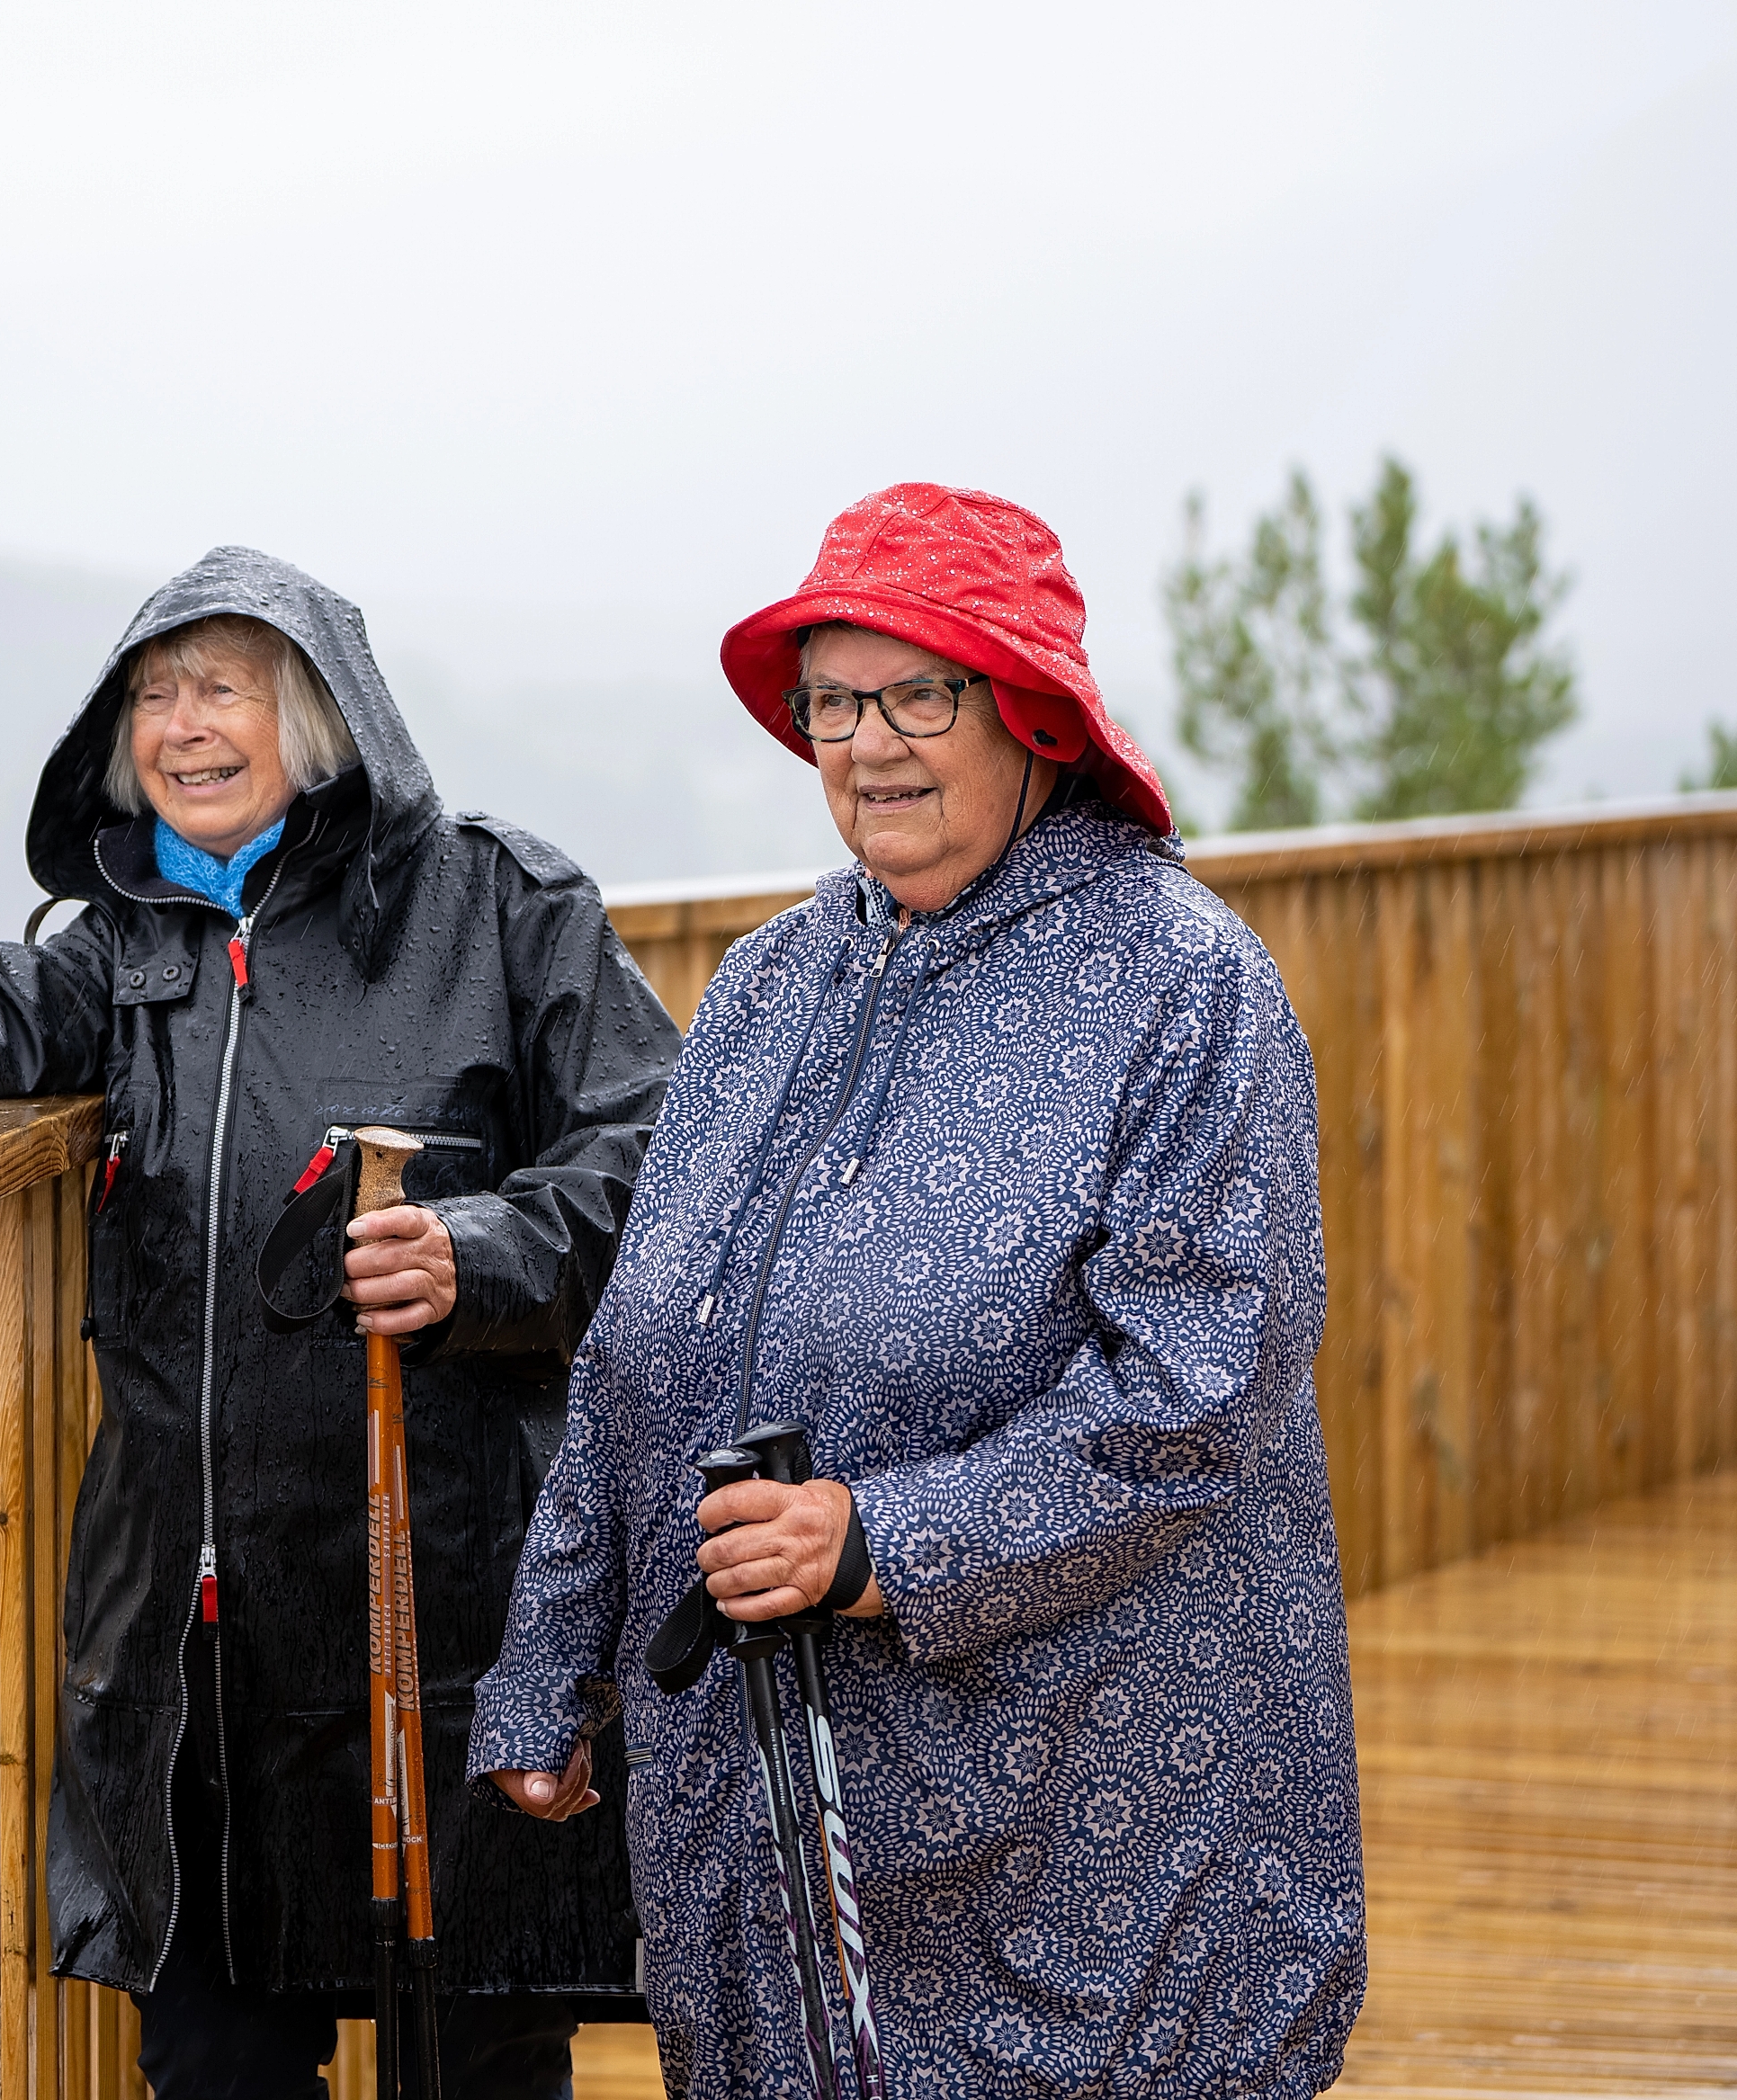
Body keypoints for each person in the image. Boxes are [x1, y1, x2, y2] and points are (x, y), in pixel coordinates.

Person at [0, 547, 683, 2098]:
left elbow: (652, 1153)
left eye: (222, 685)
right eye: (153, 693)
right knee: (218, 2066)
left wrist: (482, 1251)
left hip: (434, 1617)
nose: (182, 724)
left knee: (476, 2064)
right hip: (196, 1639)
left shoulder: (500, 905)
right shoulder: (125, 938)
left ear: (321, 715)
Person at [470, 487, 1366, 2097]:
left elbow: (1197, 1391)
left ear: (1029, 715)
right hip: (768, 1828)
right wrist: (548, 1669)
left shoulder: (1186, 985)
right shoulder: (765, 985)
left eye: (919, 695)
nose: (868, 743)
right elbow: (634, 1360)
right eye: (834, 699)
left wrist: (885, 1541)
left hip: (1094, 1826)